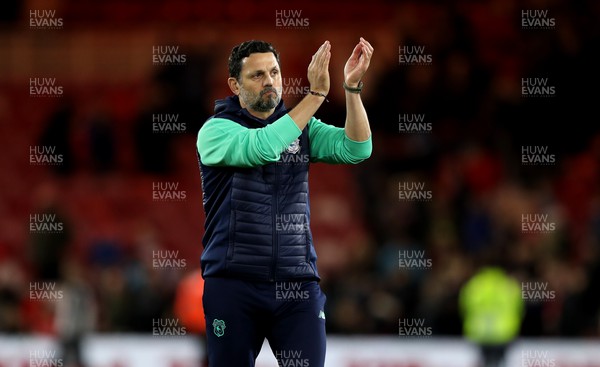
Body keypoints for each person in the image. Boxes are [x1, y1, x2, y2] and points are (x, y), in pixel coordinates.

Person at [196, 38, 374, 367]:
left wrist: (351, 89)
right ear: (235, 85)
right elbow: (263, 147)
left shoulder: (301, 127)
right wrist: (317, 95)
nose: (270, 81)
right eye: (257, 75)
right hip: (234, 285)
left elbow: (357, 148)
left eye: (275, 72)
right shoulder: (216, 131)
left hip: (297, 286)